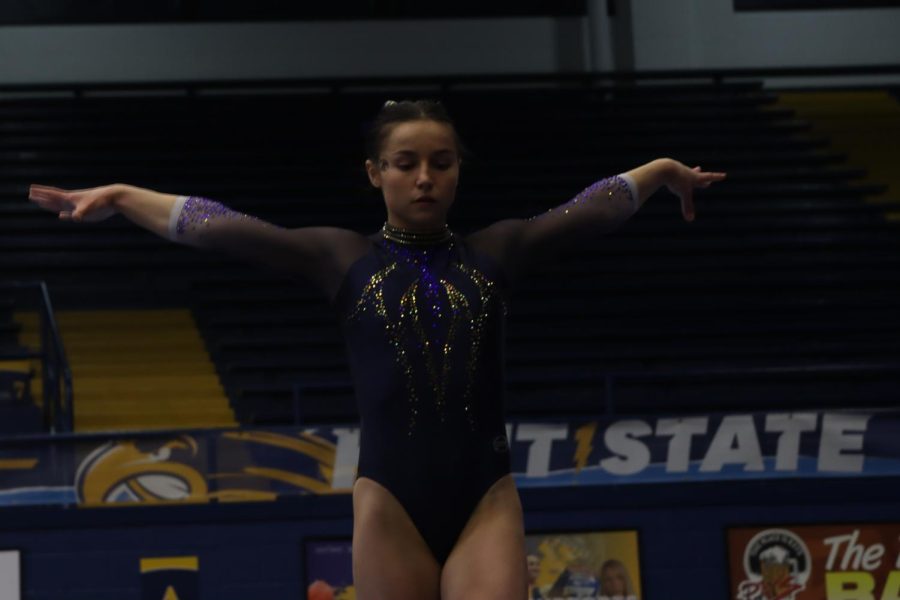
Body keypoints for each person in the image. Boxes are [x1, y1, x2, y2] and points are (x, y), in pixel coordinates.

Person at [28, 99, 725, 600]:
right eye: (406, 163)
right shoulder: (342, 259)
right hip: (389, 499)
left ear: (458, 172)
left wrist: (662, 168)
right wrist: (122, 194)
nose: (424, 177)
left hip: (484, 498)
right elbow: (223, 228)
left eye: (441, 163)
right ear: (375, 172)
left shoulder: (498, 251)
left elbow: (590, 209)